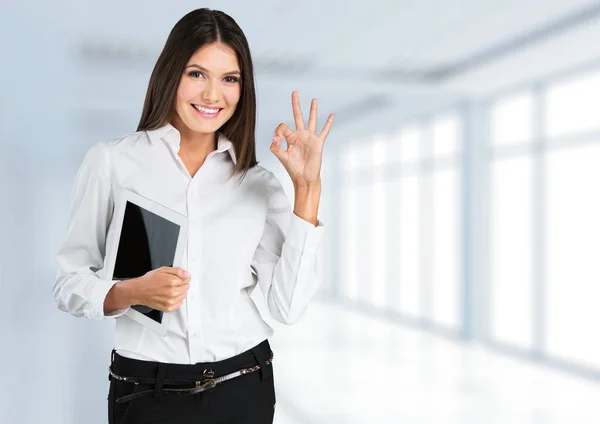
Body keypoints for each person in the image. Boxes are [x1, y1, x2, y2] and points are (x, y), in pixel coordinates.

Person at [53, 7, 333, 424]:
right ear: (171, 74)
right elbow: (69, 283)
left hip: (244, 382)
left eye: (230, 79)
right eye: (197, 74)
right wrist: (132, 291)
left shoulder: (257, 183)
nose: (212, 95)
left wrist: (307, 189)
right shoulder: (113, 162)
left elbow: (287, 307)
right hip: (145, 393)